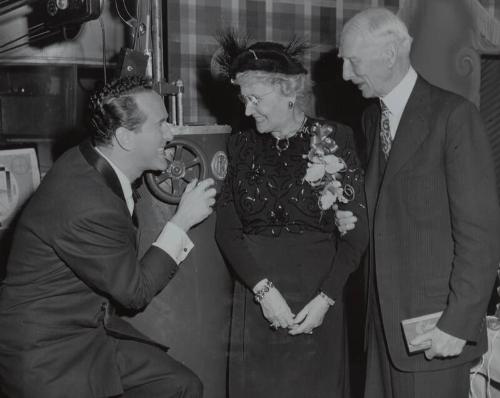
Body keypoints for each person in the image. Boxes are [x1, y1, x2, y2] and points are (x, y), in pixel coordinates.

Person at [0, 76, 216, 398]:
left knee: (182, 386)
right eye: (161, 125)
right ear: (125, 138)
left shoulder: (91, 158)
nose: (171, 134)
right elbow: (135, 293)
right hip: (46, 355)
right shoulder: (87, 204)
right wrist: (182, 220)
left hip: (85, 332)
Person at [336, 7, 500, 398]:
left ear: (389, 55)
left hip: (435, 331)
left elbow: (480, 235)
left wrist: (457, 325)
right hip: (380, 330)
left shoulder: (454, 116)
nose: (345, 74)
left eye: (352, 61)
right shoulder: (372, 120)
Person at [214, 34, 368, 398]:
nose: (249, 111)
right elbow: (227, 231)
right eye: (244, 100)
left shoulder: (333, 138)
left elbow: (357, 232)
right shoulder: (240, 145)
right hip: (258, 299)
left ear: (289, 92)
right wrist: (264, 292)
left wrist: (326, 299)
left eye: (256, 100)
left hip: (319, 301)